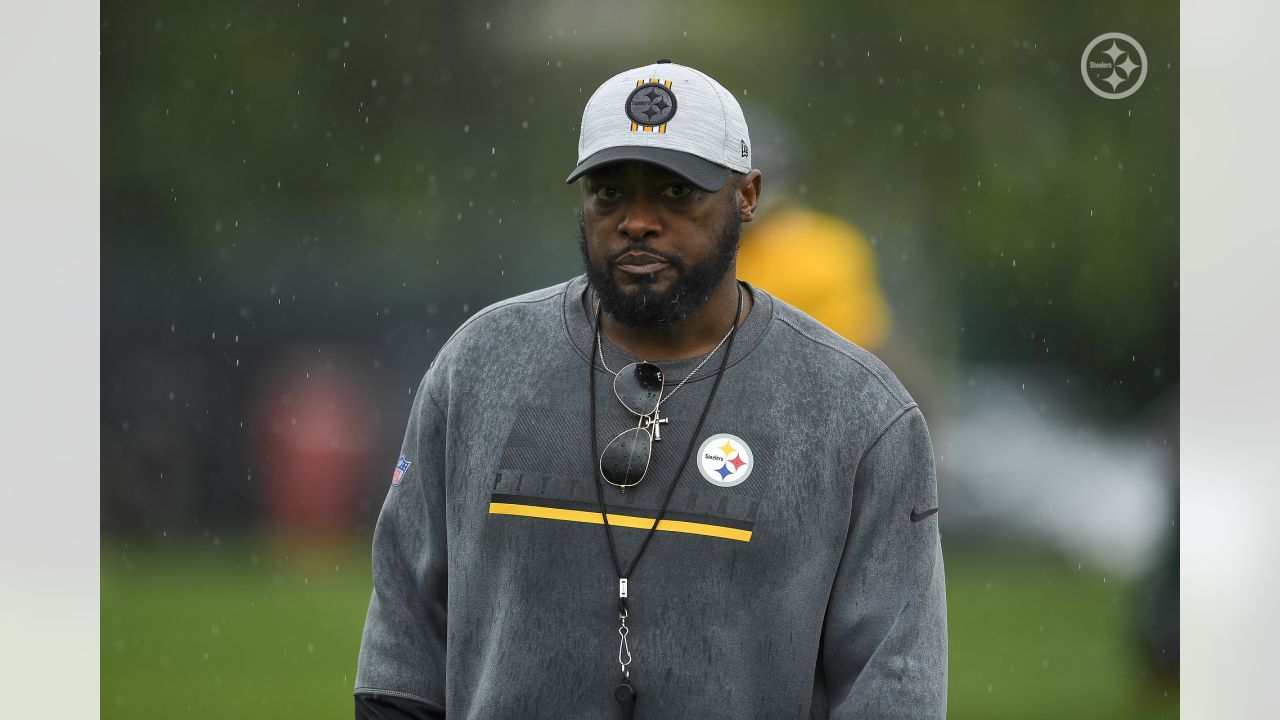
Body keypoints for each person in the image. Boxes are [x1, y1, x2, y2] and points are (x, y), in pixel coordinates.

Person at [354, 59, 947, 720]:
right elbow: (402, 647)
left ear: (748, 195)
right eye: (610, 194)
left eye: (675, 192)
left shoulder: (861, 412)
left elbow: (894, 687)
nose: (637, 221)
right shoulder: (479, 368)